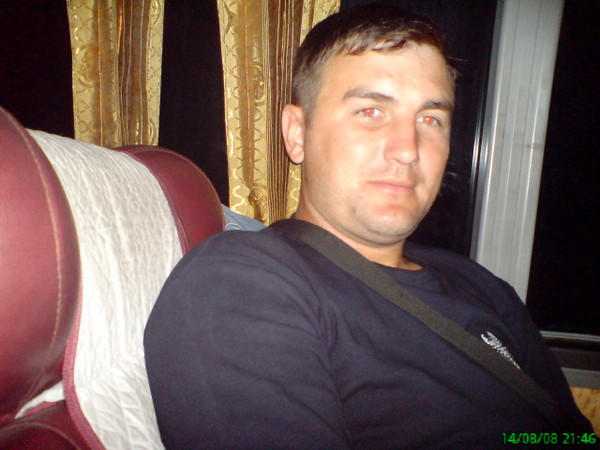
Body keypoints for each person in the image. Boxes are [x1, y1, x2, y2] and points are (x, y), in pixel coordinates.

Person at [144, 5, 594, 448]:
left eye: (430, 119)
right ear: (297, 133)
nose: (408, 149)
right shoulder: (239, 282)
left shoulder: (484, 288)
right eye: (371, 111)